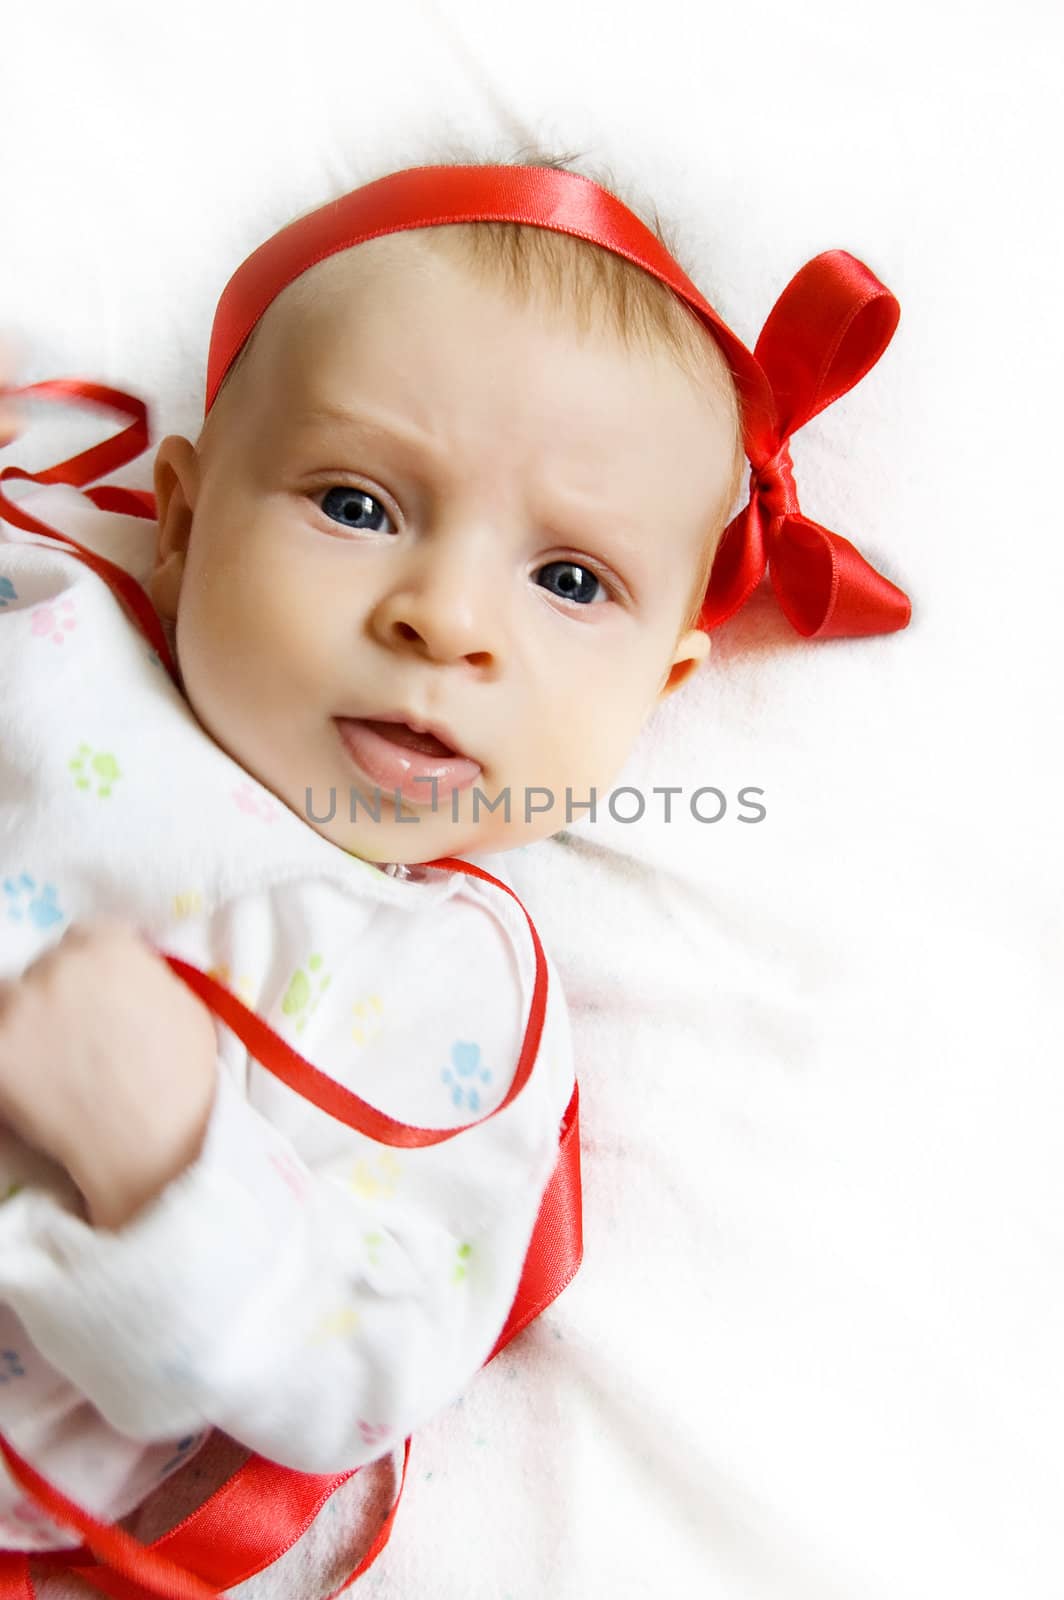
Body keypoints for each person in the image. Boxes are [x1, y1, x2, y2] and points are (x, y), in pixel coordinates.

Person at [0, 150, 909, 1597]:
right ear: (178, 518)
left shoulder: (451, 1007)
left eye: (570, 582)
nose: (444, 618)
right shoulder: (52, 617)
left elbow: (360, 1372)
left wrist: (169, 1169)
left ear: (666, 684)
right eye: (357, 505)